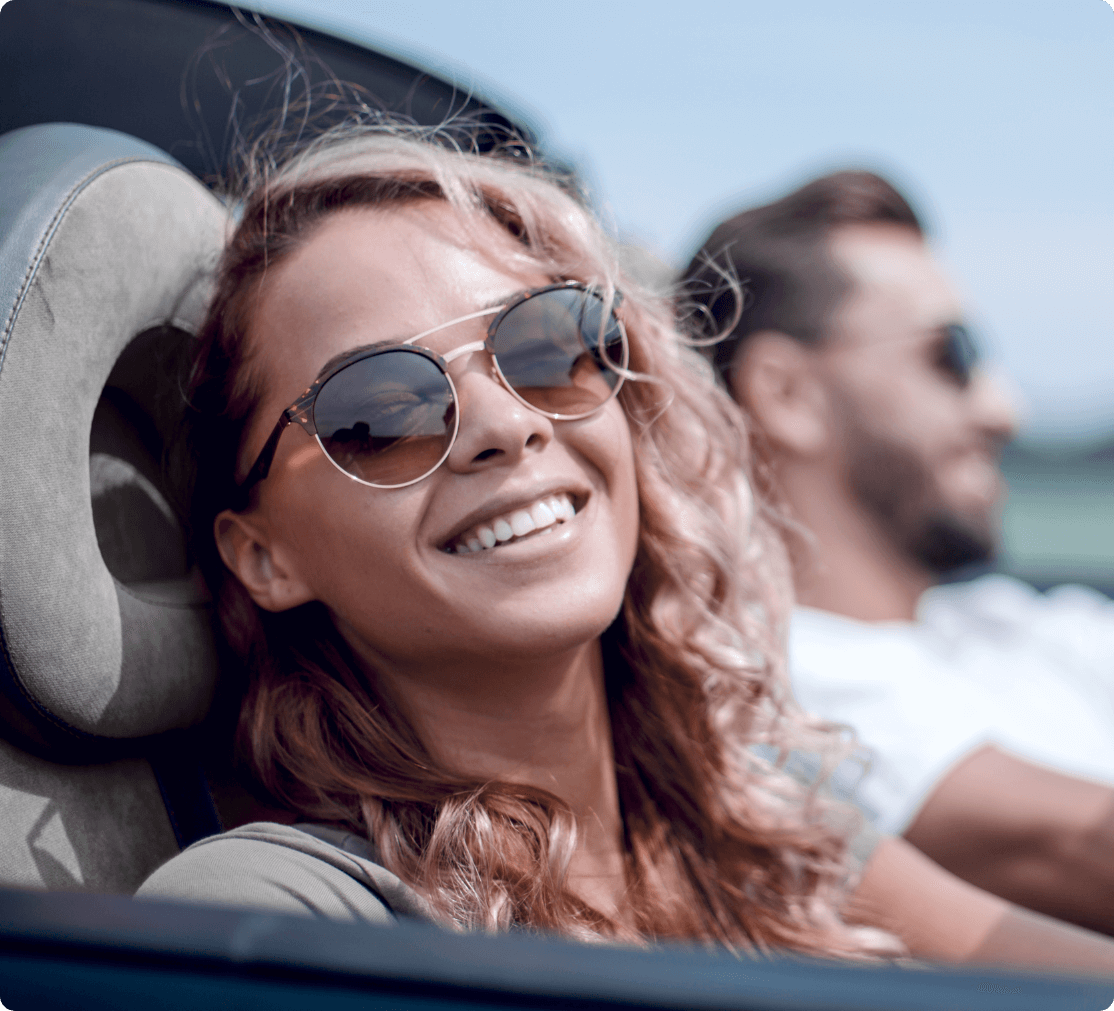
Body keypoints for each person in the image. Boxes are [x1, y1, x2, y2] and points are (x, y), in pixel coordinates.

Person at [136, 129, 1114, 970]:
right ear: (263, 556)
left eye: (547, 344)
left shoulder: (767, 836)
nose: (504, 425)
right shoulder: (277, 909)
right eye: (377, 410)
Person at [682, 169, 1114, 938]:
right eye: (950, 355)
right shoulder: (777, 683)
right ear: (786, 394)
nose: (1003, 407)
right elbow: (1084, 847)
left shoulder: (1005, 621)